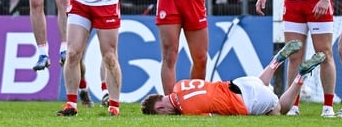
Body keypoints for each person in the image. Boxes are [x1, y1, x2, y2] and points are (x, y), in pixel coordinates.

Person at [140, 40, 327, 115]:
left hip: (246, 102)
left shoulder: (188, 111)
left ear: (160, 106)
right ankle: (276, 60)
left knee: (279, 109)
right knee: (259, 83)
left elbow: (211, 117)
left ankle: (300, 76)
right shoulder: (180, 85)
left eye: (160, 113)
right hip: (240, 82)